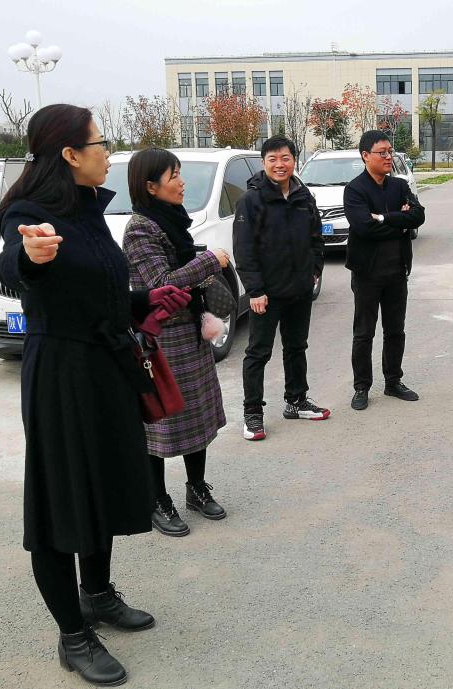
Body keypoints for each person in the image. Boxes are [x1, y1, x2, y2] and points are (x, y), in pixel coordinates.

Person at [0, 104, 191, 686]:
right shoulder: (31, 214)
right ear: (70, 154)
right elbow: (15, 266)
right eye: (101, 144)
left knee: (101, 483)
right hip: (61, 374)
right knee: (62, 500)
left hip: (106, 366)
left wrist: (145, 301)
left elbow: (98, 288)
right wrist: (29, 257)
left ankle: (97, 593)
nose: (109, 153)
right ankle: (72, 635)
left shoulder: (89, 210)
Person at [123, 148, 229, 537]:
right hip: (162, 340)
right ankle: (157, 499)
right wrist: (210, 262)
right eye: (174, 176)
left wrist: (202, 273)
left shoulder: (173, 219)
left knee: (197, 414)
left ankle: (196, 488)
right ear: (151, 186)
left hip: (191, 334)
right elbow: (160, 283)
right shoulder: (140, 229)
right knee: (160, 421)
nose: (182, 182)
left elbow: (181, 272)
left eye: (180, 173)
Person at [235, 135, 328, 442]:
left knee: (296, 347)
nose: (279, 164)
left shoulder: (303, 196)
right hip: (266, 294)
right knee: (258, 353)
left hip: (299, 289)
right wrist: (255, 290)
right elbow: (244, 250)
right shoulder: (251, 201)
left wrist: (314, 271)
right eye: (272, 159)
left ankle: (296, 400)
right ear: (264, 163)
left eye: (285, 158)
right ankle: (253, 412)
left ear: (294, 161)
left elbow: (316, 237)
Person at [344, 129, 426, 410]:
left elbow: (418, 216)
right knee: (364, 333)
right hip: (366, 273)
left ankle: (393, 381)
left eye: (390, 151)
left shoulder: (399, 186)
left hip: (397, 271)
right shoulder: (355, 190)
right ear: (366, 156)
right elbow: (363, 228)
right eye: (382, 152)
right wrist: (399, 222)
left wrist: (383, 218)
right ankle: (361, 387)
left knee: (395, 330)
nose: (389, 156)